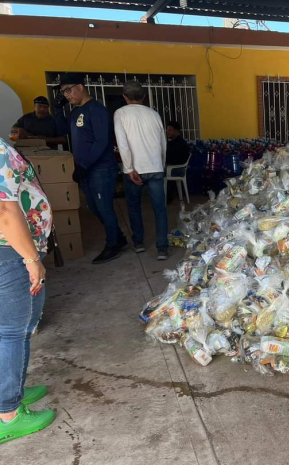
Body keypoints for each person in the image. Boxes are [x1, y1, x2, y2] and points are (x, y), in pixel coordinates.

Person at [0, 138, 56, 443]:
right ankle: (7, 413)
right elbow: (4, 212)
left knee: (15, 326)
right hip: (8, 251)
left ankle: (11, 388)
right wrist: (31, 259)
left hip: (9, 250)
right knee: (12, 330)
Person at [54, 73, 127, 265]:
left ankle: (113, 244)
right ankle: (118, 237)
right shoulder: (76, 111)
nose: (67, 95)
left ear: (80, 87)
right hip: (86, 169)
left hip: (100, 168)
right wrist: (57, 109)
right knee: (94, 207)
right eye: (63, 92)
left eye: (68, 90)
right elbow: (62, 130)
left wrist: (84, 165)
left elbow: (101, 141)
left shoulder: (96, 109)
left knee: (104, 208)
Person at [114, 81, 169, 261]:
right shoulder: (154, 114)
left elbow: (122, 143)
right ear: (144, 96)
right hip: (155, 167)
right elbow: (163, 143)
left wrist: (129, 168)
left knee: (134, 207)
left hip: (135, 170)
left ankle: (139, 243)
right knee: (160, 209)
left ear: (125, 97)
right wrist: (160, 164)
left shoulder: (120, 113)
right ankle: (162, 248)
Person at [165, 121, 190, 204]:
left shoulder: (179, 143)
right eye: (167, 130)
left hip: (177, 169)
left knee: (157, 173)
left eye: (170, 130)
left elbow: (174, 159)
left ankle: (165, 197)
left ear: (176, 131)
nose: (167, 131)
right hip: (173, 167)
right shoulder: (172, 142)